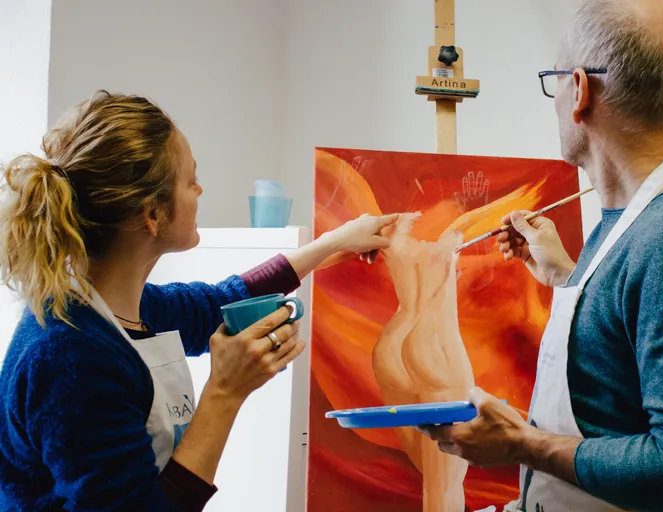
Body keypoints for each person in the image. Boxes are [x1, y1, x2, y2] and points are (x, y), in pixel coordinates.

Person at [419, 0, 663, 511]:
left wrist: (519, 444)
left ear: (579, 89)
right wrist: (565, 275)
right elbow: (618, 370)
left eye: (554, 79)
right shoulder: (631, 222)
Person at [0, 90, 398, 511]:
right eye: (190, 181)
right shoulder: (70, 358)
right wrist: (224, 393)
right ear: (153, 215)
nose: (200, 189)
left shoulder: (122, 307)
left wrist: (330, 244)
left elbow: (220, 303)